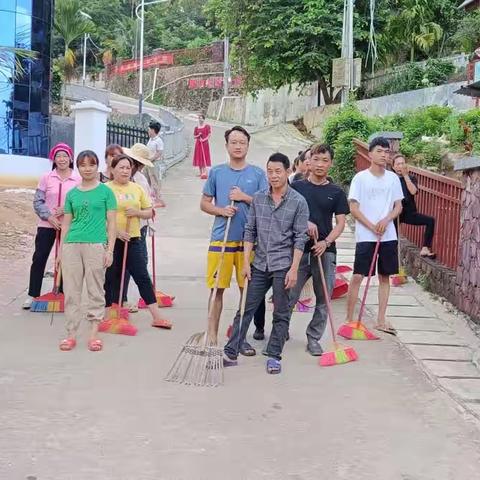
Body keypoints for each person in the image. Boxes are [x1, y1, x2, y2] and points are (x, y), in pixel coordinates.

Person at [223, 153, 309, 374]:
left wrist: (293, 269)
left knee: (281, 313)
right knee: (245, 309)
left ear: (288, 171)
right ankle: (231, 352)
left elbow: (300, 237)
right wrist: (245, 264)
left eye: (278, 171)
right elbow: (250, 231)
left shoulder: (298, 202)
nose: (273, 176)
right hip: (259, 264)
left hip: (283, 265)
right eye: (269, 171)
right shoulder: (259, 199)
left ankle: (274, 355)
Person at [200, 126, 268, 351]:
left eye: (242, 142)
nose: (238, 146)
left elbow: (268, 205)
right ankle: (212, 334)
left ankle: (240, 337)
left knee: (246, 292)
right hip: (222, 239)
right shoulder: (217, 172)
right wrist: (221, 211)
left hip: (249, 243)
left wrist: (244, 197)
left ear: (248, 146)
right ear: (227, 145)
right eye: (234, 142)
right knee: (216, 289)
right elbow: (204, 203)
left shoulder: (258, 174)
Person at [289, 144, 349, 355]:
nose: (320, 164)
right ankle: (281, 330)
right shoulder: (297, 188)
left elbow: (340, 223)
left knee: (324, 297)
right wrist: (305, 222)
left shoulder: (336, 192)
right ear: (309, 161)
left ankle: (313, 338)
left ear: (331, 164)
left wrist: (327, 242)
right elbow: (288, 215)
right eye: (316, 159)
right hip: (298, 249)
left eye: (325, 160)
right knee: (288, 294)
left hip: (324, 251)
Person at [57, 150, 117, 352]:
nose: (87, 169)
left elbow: (112, 224)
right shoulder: (72, 194)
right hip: (72, 245)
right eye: (83, 165)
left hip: (96, 245)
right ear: (78, 167)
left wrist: (110, 250)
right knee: (72, 292)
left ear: (97, 166)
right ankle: (71, 333)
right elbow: (66, 224)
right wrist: (60, 251)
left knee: (95, 290)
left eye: (91, 164)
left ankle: (93, 334)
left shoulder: (106, 192)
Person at [104, 154, 172, 329]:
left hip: (133, 238)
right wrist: (116, 231)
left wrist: (137, 212)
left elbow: (149, 212)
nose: (125, 171)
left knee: (141, 275)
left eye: (128, 167)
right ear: (112, 169)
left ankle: (157, 316)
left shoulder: (137, 189)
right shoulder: (105, 189)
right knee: (112, 277)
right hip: (111, 240)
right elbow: (99, 216)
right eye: (121, 167)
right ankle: (110, 314)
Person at [345, 137, 404, 335]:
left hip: (387, 235)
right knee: (357, 276)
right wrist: (371, 226)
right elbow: (353, 208)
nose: (384, 155)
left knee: (385, 276)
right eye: (379, 151)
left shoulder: (393, 178)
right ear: (370, 154)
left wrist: (386, 220)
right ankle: (349, 319)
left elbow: (398, 206)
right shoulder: (360, 178)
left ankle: (380, 319)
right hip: (366, 235)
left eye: (387, 152)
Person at [23, 143, 80, 309]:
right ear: (53, 159)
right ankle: (33, 294)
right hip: (47, 225)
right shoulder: (46, 177)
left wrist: (68, 209)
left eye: (65, 156)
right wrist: (49, 217)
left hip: (69, 225)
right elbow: (38, 202)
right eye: (58, 156)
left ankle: (62, 294)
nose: (61, 159)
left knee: (65, 260)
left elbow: (81, 202)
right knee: (39, 258)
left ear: (70, 158)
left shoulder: (77, 179)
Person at [392, 154, 436, 259]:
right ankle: (392, 263)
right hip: (394, 213)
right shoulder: (391, 179)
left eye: (402, 163)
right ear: (393, 167)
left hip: (409, 212)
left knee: (430, 221)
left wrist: (406, 176)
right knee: (393, 240)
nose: (400, 166)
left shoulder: (411, 178)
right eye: (398, 164)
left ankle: (425, 248)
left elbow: (413, 191)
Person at [146, 120, 166, 207]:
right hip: (149, 163)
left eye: (149, 129)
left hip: (155, 163)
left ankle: (159, 200)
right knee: (149, 181)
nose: (148, 131)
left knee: (156, 181)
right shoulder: (151, 139)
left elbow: (159, 153)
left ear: (153, 130)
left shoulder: (159, 141)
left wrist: (151, 159)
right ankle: (151, 198)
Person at [193, 114, 212, 179]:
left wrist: (204, 139)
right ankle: (200, 172)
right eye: (199, 118)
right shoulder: (196, 127)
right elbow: (194, 136)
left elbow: (209, 135)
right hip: (198, 144)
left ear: (204, 119)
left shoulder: (207, 126)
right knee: (199, 157)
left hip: (205, 144)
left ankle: (204, 172)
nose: (200, 120)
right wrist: (198, 135)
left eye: (201, 118)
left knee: (204, 157)